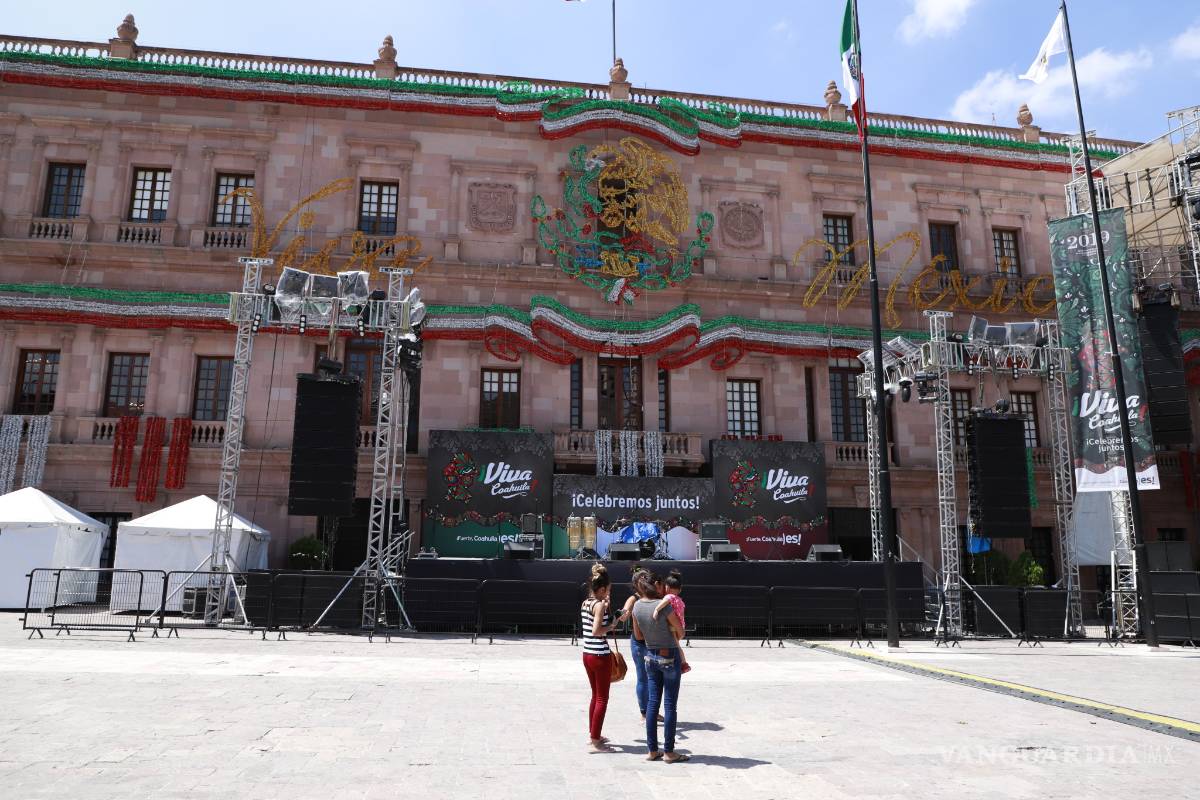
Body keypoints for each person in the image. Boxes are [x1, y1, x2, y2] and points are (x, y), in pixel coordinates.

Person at [631, 572, 689, 763]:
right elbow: (680, 633)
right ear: (656, 586)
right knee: (670, 705)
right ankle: (669, 752)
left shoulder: (637, 607)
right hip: (669, 655)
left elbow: (638, 637)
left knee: (652, 704)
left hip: (650, 656)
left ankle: (652, 750)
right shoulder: (663, 607)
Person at [581, 563, 619, 752]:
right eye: (608, 590)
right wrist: (611, 627)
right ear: (602, 589)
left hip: (587, 653)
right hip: (599, 655)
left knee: (595, 696)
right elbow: (597, 630)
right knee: (602, 698)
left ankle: (593, 733)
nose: (608, 593)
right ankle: (595, 740)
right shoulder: (599, 606)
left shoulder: (587, 602)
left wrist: (611, 616)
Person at [620, 566, 651, 720]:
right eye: (642, 579)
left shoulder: (655, 597)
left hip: (653, 642)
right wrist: (623, 614)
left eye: (647, 578)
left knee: (655, 679)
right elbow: (624, 614)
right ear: (635, 584)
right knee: (642, 677)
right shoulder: (633, 599)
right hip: (639, 643)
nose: (645, 581)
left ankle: (652, 711)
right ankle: (644, 712)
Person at [652, 569, 690, 673]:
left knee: (676, 646)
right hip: (680, 626)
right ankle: (683, 663)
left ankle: (683, 664)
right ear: (680, 590)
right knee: (676, 644)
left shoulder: (669, 596)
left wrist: (656, 610)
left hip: (673, 627)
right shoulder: (679, 600)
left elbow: (664, 603)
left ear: (667, 587)